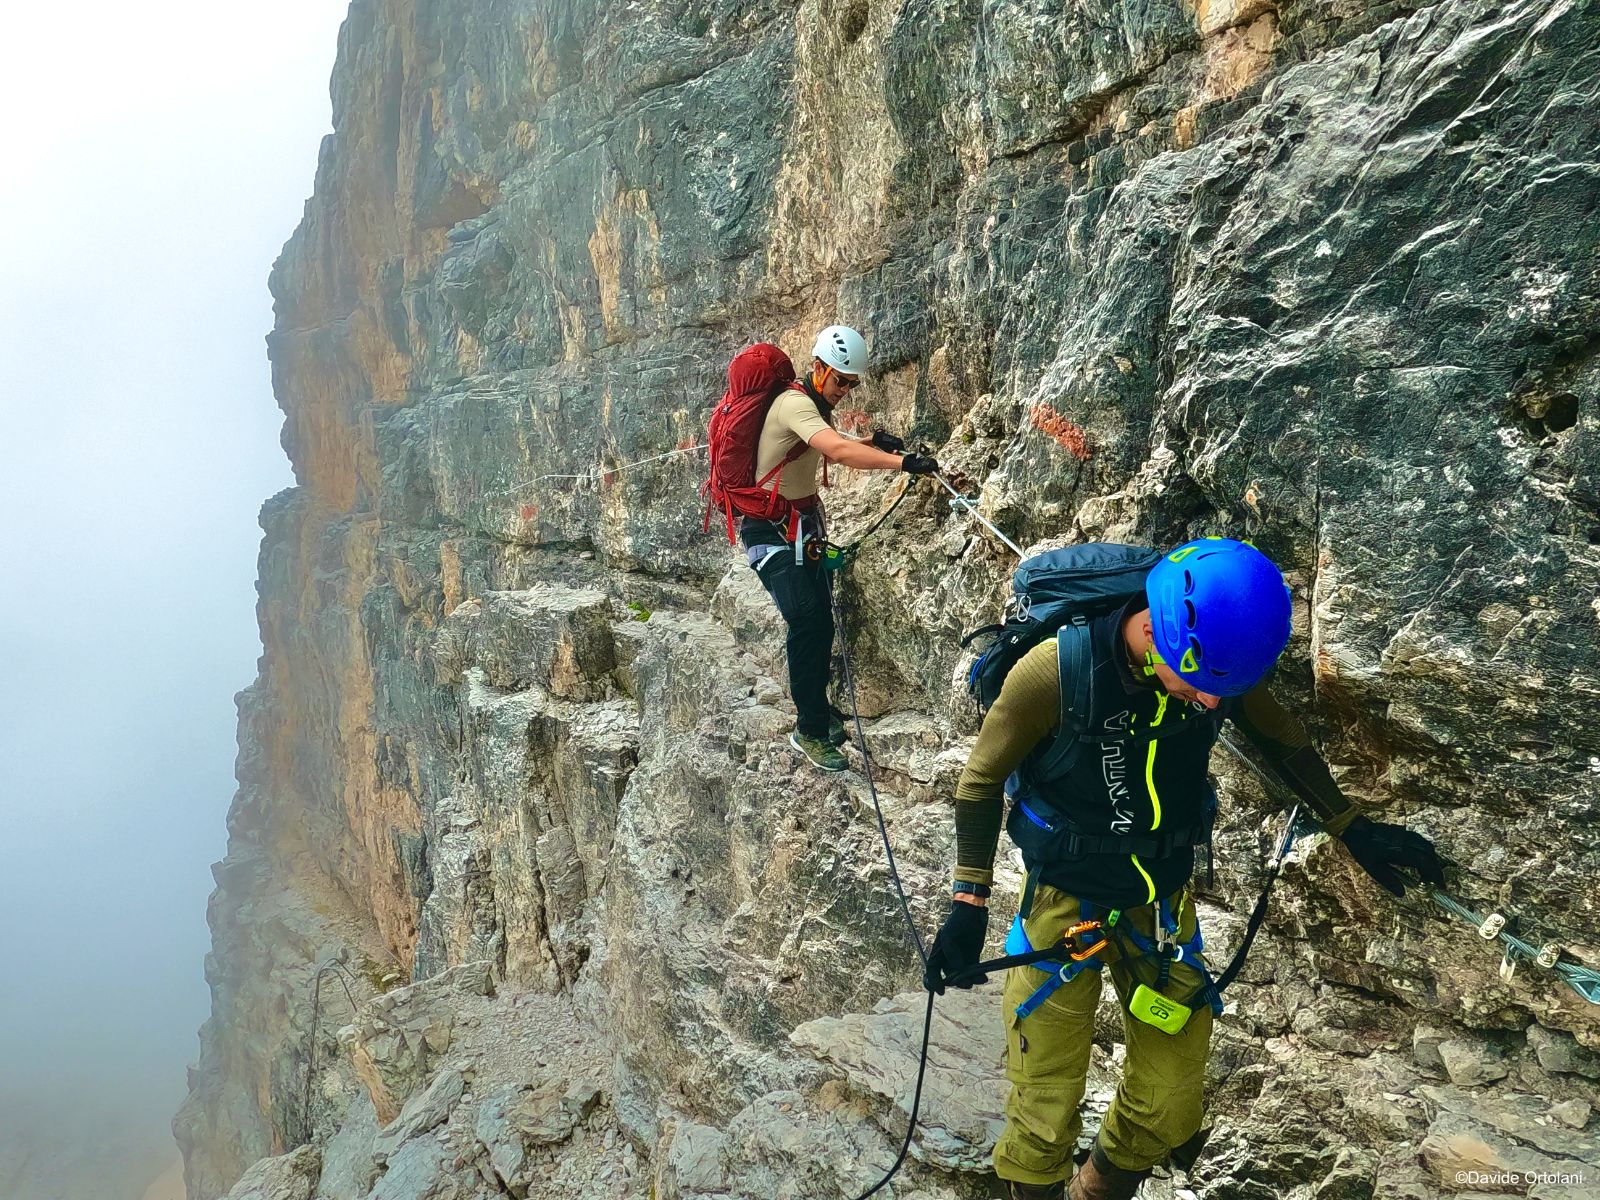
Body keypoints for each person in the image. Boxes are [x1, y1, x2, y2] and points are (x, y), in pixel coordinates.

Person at [922, 538, 1445, 1200]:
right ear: (1162, 636)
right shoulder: (1057, 672)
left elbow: (1280, 737)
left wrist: (1353, 828)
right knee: (1044, 1110)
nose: (1207, 704)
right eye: (1198, 685)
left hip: (1163, 903)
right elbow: (979, 782)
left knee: (1170, 1102)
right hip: (1064, 900)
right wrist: (966, 906)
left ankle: (1095, 1190)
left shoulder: (1216, 667)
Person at [743, 325, 938, 771]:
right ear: (818, 368)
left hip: (797, 528)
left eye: (852, 383)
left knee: (821, 618)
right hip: (768, 532)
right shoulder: (794, 403)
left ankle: (818, 711)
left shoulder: (813, 404)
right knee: (806, 619)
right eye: (841, 381)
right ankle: (808, 730)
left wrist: (873, 443)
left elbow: (826, 450)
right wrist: (903, 463)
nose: (846, 390)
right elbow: (835, 450)